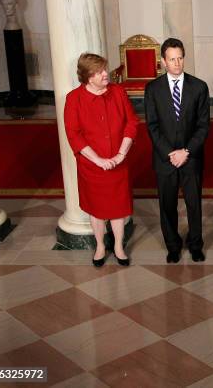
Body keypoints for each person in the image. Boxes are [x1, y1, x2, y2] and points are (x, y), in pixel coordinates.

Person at [64, 53, 139, 267]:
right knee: (97, 209)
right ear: (88, 76)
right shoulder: (73, 99)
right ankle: (100, 246)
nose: (106, 74)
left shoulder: (118, 92)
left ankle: (118, 246)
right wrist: (98, 160)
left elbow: (131, 123)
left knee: (118, 208)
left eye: (105, 69)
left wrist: (121, 154)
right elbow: (74, 135)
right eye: (99, 72)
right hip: (92, 167)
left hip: (118, 163)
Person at [145, 38, 209, 264]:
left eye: (180, 58)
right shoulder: (152, 89)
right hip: (165, 159)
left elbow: (203, 126)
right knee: (167, 205)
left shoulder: (199, 87)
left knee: (194, 204)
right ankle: (172, 246)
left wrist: (186, 152)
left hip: (191, 158)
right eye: (172, 59)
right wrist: (170, 153)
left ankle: (195, 245)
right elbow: (152, 126)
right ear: (163, 61)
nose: (177, 63)